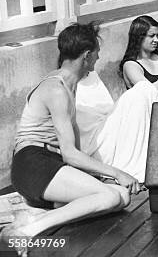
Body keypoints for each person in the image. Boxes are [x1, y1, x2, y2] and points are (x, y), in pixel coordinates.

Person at [2, 23, 137, 252]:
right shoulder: (56, 89)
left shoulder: (70, 87)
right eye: (96, 53)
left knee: (121, 196)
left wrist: (98, 176)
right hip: (33, 164)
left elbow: (74, 151)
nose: (98, 58)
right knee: (109, 197)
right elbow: (70, 154)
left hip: (50, 165)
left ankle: (39, 211)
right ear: (86, 55)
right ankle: (26, 231)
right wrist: (116, 172)